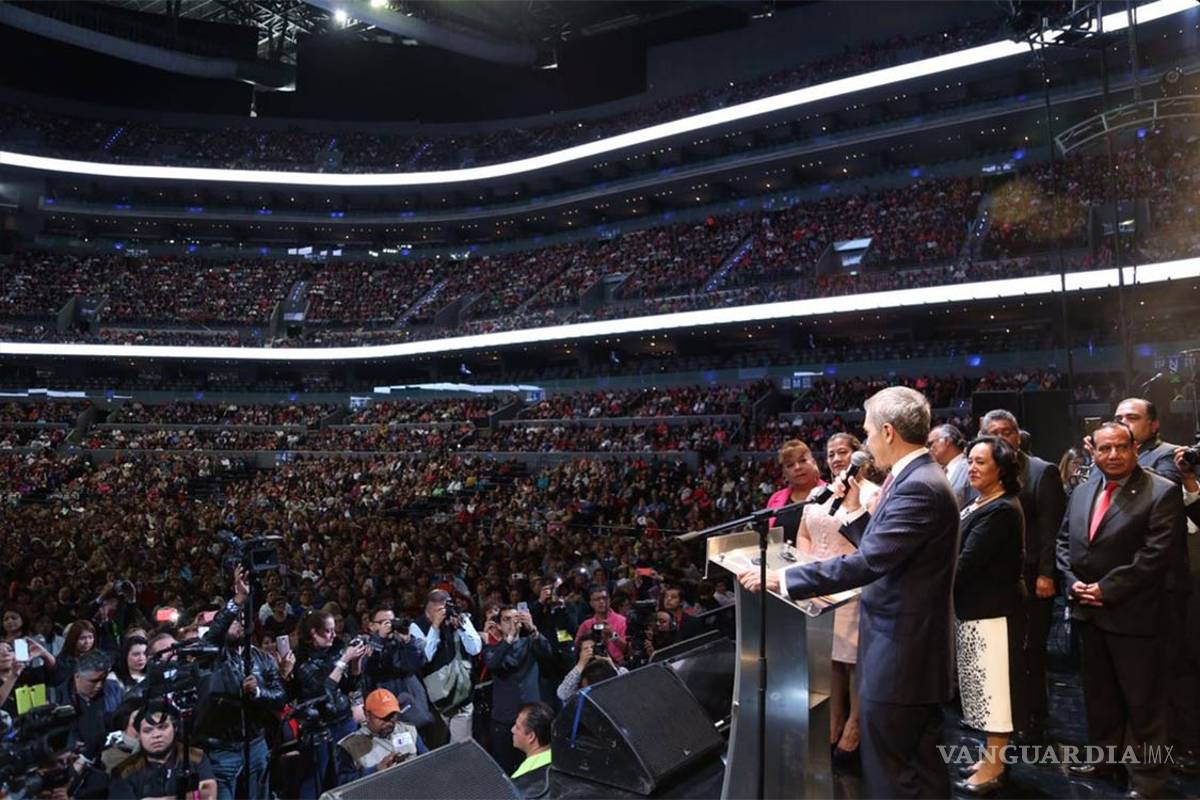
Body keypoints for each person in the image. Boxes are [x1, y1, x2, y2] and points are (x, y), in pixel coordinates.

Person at [738, 386, 959, 799]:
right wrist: (854, 509)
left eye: (869, 431)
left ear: (888, 432)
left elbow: (868, 563)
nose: (867, 441)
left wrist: (784, 580)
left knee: (894, 774)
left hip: (902, 654)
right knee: (920, 769)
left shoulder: (918, 485)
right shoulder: (915, 477)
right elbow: (886, 548)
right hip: (907, 649)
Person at [1056, 421, 1183, 797]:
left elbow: (1155, 556)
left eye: (1120, 447)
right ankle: (1105, 760)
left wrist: (1106, 589)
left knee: (1144, 703)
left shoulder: (1161, 491)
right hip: (1089, 612)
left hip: (1135, 615)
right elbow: (1064, 542)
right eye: (1104, 448)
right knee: (1099, 697)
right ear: (1093, 452)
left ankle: (1148, 778)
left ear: (1134, 449)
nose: (1113, 455)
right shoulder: (1083, 489)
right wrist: (1072, 582)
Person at [979, 409, 1065, 742]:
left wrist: (1046, 574)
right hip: (994, 581)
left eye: (1008, 431)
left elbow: (1051, 530)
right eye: (994, 432)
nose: (1002, 438)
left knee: (1030, 653)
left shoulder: (1042, 471)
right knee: (1001, 654)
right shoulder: (984, 472)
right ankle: (1006, 718)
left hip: (1031, 580)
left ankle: (1033, 718)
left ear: (1018, 435)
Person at [795, 432, 879, 763]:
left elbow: (872, 544)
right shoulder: (819, 493)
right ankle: (834, 717)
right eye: (830, 454)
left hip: (854, 586)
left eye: (842, 452)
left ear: (858, 455)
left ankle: (855, 723)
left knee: (853, 659)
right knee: (829, 657)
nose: (836, 459)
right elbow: (804, 533)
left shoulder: (872, 493)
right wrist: (807, 565)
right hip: (820, 586)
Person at [953, 436, 1027, 795]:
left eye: (981, 462)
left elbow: (967, 562)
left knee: (995, 691)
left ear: (1002, 468)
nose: (972, 468)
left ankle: (995, 767)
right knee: (980, 689)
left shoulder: (1001, 510)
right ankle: (988, 757)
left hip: (994, 613)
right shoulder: (979, 502)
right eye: (970, 460)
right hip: (974, 610)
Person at [194, 566, 288, 800]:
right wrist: (238, 599)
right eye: (232, 620)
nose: (237, 623)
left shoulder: (262, 658)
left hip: (255, 743)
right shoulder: (211, 655)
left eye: (241, 619)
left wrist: (259, 692)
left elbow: (280, 697)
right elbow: (214, 634)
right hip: (222, 749)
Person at [293, 610, 369, 799]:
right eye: (328, 631)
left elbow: (351, 686)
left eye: (334, 630)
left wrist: (356, 662)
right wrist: (344, 660)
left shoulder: (335, 650)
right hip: (320, 729)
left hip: (344, 721)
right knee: (316, 781)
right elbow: (322, 691)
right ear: (313, 633)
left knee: (348, 773)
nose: (334, 635)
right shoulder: (301, 659)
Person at [481, 606, 554, 773]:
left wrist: (533, 629)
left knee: (536, 769)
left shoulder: (530, 643)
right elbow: (493, 664)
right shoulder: (492, 649)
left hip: (530, 721)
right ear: (499, 625)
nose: (511, 623)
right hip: (504, 719)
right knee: (505, 769)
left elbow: (548, 654)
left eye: (515, 619)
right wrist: (508, 640)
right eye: (506, 619)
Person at [109, 702, 219, 800]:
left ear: (175, 728)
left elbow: (209, 795)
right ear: (139, 736)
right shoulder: (125, 771)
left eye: (162, 727)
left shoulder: (194, 756)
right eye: (148, 730)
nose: (156, 735)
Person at [412, 589, 481, 745]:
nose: (443, 613)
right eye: (439, 610)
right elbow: (425, 657)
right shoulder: (417, 626)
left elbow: (475, 649)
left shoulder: (458, 617)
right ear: (429, 610)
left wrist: (461, 627)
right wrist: (435, 627)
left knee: (461, 748)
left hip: (461, 697)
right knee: (438, 748)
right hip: (436, 702)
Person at [336, 688, 428, 785]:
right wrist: (375, 771)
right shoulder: (350, 746)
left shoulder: (407, 730)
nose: (388, 722)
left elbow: (429, 760)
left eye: (392, 716)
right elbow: (342, 784)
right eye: (383, 717)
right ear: (367, 714)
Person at [766, 439, 825, 540]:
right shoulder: (775, 499)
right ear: (784, 473)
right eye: (790, 465)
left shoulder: (833, 493)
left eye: (803, 461)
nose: (797, 467)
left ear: (814, 463)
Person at [573, 586, 630, 665]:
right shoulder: (586, 625)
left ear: (609, 600)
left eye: (604, 598)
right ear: (591, 603)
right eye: (597, 599)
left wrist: (613, 635)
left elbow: (628, 649)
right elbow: (576, 649)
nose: (601, 601)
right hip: (595, 666)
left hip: (620, 664)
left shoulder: (623, 621)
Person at [555, 639, 625, 703]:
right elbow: (562, 694)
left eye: (593, 648)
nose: (590, 652)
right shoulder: (577, 677)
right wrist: (581, 664)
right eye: (586, 649)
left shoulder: (614, 670)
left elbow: (625, 685)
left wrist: (612, 666)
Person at [927, 424, 971, 508]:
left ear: (947, 441)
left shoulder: (970, 468)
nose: (929, 449)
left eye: (931, 444)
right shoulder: (938, 472)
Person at [510, 702, 555, 784]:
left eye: (517, 727)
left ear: (531, 736)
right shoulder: (562, 759)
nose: (512, 730)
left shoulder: (520, 778)